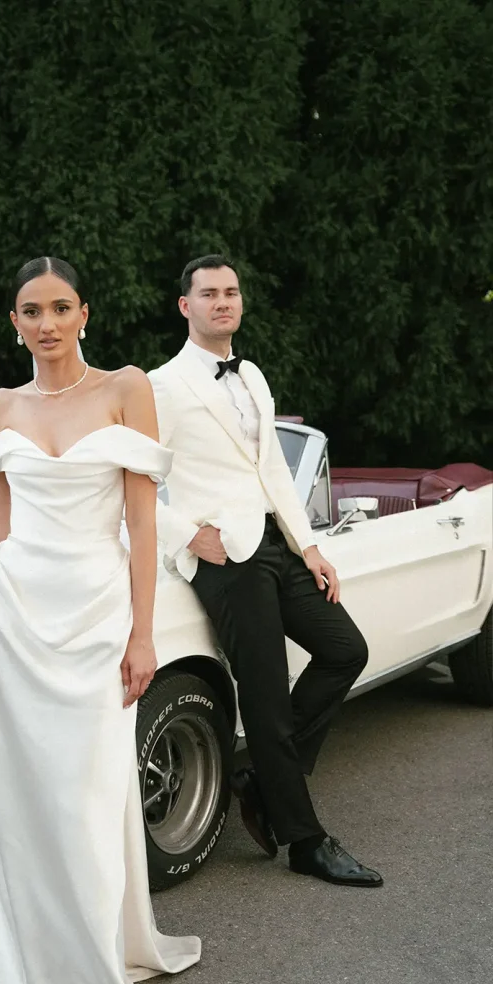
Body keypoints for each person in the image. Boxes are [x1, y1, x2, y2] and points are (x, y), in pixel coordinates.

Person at [0, 257, 200, 984]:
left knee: (90, 790)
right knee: (27, 795)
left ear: (84, 314)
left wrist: (144, 633)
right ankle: (41, 955)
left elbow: (142, 521)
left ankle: (98, 953)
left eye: (60, 307)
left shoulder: (125, 389)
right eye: (31, 311)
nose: (47, 323)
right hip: (15, 618)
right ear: (15, 323)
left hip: (97, 617)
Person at [148, 254, 382, 888]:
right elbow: (129, 479)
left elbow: (272, 467)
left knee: (345, 649)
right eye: (208, 294)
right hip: (225, 557)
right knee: (267, 698)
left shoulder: (250, 373)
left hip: (276, 542)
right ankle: (305, 842)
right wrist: (189, 535)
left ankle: (259, 779)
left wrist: (309, 545)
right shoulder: (162, 385)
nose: (222, 301)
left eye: (231, 292)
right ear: (185, 306)